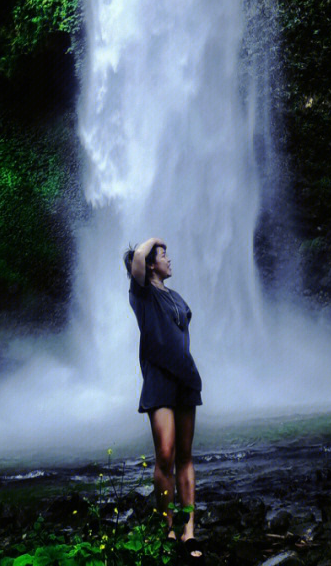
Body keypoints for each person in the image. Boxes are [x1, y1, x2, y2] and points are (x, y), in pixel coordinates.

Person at [124, 236, 203, 556]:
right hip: (158, 380)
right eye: (164, 255)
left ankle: (188, 531)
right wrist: (153, 240)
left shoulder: (175, 296)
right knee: (166, 455)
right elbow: (137, 260)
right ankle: (166, 528)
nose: (170, 260)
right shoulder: (142, 294)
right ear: (151, 264)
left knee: (185, 455)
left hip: (185, 378)